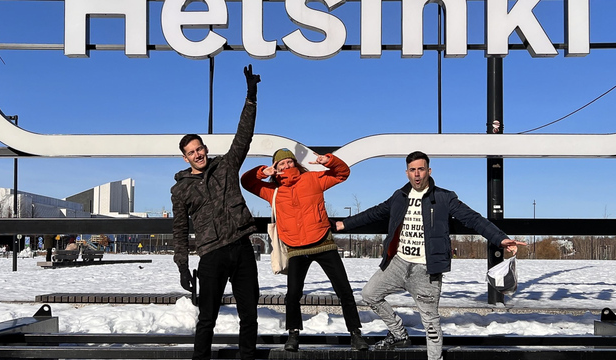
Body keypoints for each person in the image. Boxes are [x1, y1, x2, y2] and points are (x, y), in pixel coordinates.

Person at [336, 151, 526, 360]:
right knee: (369, 294)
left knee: (431, 323)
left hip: (427, 269)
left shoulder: (444, 198)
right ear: (407, 173)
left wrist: (500, 238)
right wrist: (344, 224)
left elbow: (473, 219)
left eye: (421, 169)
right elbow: (374, 213)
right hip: (398, 263)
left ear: (429, 171)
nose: (417, 174)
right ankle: (399, 334)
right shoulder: (399, 196)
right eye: (412, 170)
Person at [171, 65, 261, 360]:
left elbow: (243, 136)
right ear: (185, 158)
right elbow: (180, 231)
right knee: (206, 318)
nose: (198, 154)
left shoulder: (226, 166)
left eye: (200, 148)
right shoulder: (180, 190)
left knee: (249, 313)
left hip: (241, 246)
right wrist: (183, 266)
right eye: (192, 152)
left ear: (205, 148)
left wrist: (251, 97)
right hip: (211, 254)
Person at [241, 149, 368, 352]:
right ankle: (293, 335)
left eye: (289, 162)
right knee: (293, 294)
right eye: (280, 164)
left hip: (322, 243)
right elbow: (247, 182)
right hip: (295, 247)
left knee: (344, 289)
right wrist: (264, 171)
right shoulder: (272, 192)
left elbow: (342, 174)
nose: (286, 167)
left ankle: (355, 334)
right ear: (276, 168)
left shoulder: (312, 179)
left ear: (295, 163)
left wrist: (330, 161)